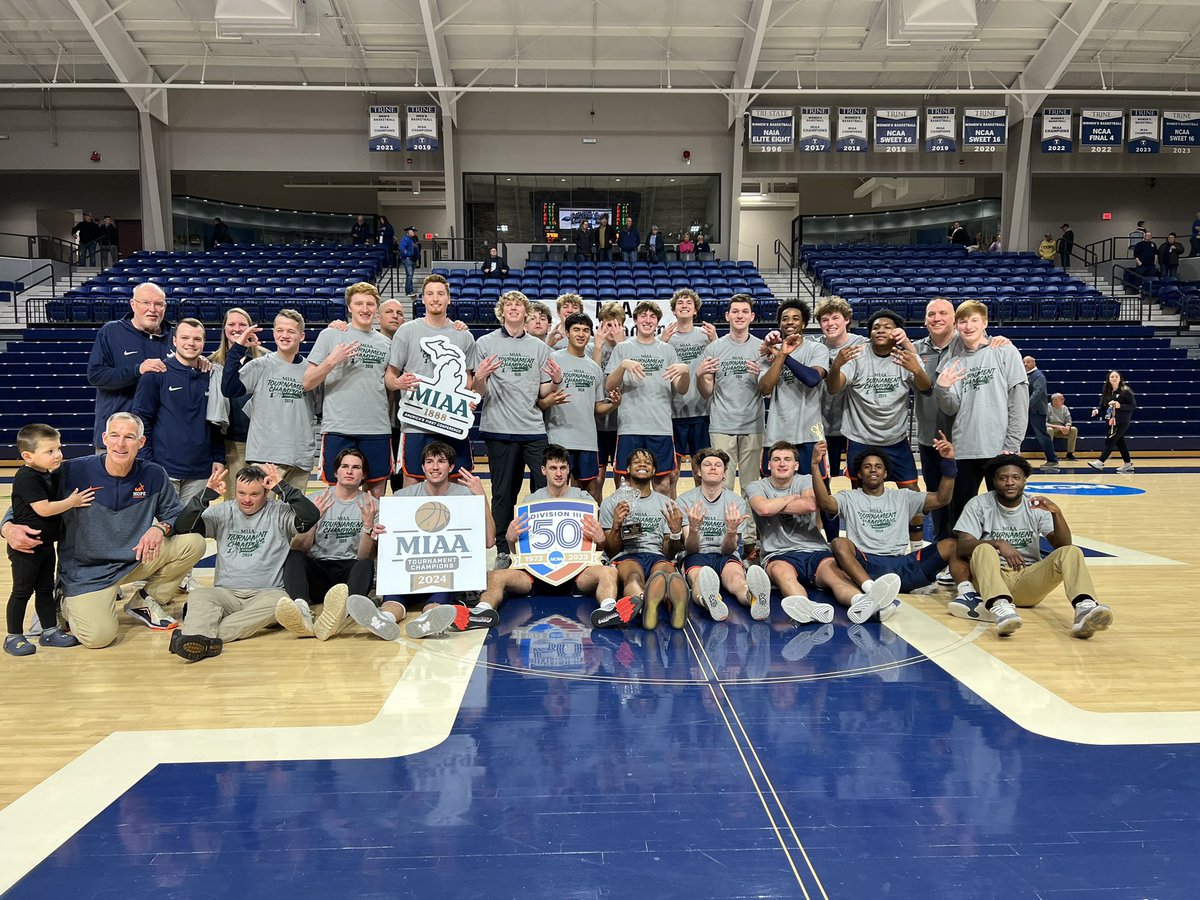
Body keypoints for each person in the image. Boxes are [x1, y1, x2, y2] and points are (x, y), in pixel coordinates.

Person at [1, 412, 207, 648]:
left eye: (129, 437)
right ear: (105, 438)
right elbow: (27, 501)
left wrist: (160, 528)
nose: (121, 444)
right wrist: (7, 527)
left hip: (134, 559)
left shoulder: (153, 474)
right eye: (115, 436)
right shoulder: (71, 471)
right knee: (98, 638)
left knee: (194, 543)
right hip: (87, 572)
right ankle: (64, 602)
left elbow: (174, 514)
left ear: (141, 443)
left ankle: (146, 601)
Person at [169, 463, 320, 661]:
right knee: (200, 596)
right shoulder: (223, 511)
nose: (246, 500)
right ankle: (202, 638)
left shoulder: (280, 512)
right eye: (241, 493)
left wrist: (284, 488)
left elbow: (311, 516)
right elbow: (183, 527)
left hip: (268, 593)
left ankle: (198, 637)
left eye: (254, 494)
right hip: (227, 593)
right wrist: (204, 497)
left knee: (281, 604)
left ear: (266, 492)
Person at [951, 454, 1114, 639]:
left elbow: (1062, 546)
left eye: (1016, 477)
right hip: (991, 578)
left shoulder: (1035, 506)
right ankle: (1000, 608)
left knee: (1072, 551)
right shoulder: (979, 504)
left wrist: (1056, 513)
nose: (1010, 482)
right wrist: (998, 543)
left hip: (1027, 580)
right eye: (1003, 478)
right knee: (983, 548)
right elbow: (963, 547)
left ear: (1024, 480)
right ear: (994, 481)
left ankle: (1084, 608)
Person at [348, 441, 495, 641]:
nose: (435, 467)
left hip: (445, 573)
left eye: (441, 461)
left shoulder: (464, 496)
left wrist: (481, 497)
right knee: (393, 599)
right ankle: (384, 618)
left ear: (451, 467)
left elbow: (489, 541)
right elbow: (377, 550)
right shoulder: (401, 497)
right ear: (423, 467)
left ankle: (427, 621)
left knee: (439, 599)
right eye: (429, 462)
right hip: (407, 573)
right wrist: (377, 533)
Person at [746, 441, 900, 626]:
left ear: (796, 465)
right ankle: (808, 608)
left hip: (815, 549)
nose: (782, 464)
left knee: (836, 577)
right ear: (768, 465)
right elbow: (762, 509)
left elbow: (810, 505)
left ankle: (861, 602)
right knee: (782, 574)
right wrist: (792, 498)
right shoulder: (756, 486)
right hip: (778, 553)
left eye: (787, 459)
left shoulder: (805, 480)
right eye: (776, 460)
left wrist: (775, 505)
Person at [480, 445, 627, 629]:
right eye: (553, 468)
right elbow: (520, 553)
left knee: (609, 572)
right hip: (535, 575)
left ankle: (608, 610)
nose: (558, 473)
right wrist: (510, 539)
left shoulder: (584, 500)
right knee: (495, 576)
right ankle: (482, 611)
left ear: (568, 469)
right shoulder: (531, 502)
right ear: (543, 470)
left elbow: (595, 551)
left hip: (578, 574)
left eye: (563, 468)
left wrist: (600, 540)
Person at [811, 436, 965, 596]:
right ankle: (871, 589)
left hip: (903, 565)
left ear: (885, 473)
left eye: (878, 466)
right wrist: (815, 465)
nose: (873, 470)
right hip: (866, 565)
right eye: (867, 466)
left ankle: (966, 594)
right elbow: (825, 503)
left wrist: (949, 463)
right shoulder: (848, 497)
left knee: (951, 545)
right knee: (839, 543)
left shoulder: (904, 496)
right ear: (859, 473)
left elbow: (942, 498)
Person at [470, 290, 556, 568]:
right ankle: (503, 550)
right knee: (503, 492)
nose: (514, 308)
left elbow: (543, 391)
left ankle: (545, 543)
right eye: (509, 305)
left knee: (547, 485)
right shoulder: (484, 342)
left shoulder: (539, 347)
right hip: (498, 428)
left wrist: (555, 381)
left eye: (519, 304)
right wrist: (480, 378)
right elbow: (479, 391)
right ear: (502, 311)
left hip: (532, 428)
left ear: (526, 312)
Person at [934, 300, 1028, 550]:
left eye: (974, 320)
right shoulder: (954, 360)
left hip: (999, 448)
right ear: (957, 326)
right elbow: (950, 407)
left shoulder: (1005, 351)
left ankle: (1006, 560)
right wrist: (942, 388)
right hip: (965, 447)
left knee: (1004, 511)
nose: (968, 326)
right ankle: (959, 565)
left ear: (985, 323)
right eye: (963, 321)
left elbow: (1018, 402)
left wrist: (1012, 444)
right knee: (962, 512)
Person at [825, 308, 931, 508]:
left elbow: (927, 388)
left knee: (912, 494)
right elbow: (833, 388)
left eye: (887, 327)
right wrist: (837, 365)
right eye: (876, 327)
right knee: (859, 494)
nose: (880, 330)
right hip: (860, 439)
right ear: (870, 333)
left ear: (897, 333)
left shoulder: (907, 357)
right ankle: (860, 537)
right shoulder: (858, 355)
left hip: (895, 439)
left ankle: (915, 541)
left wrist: (916, 369)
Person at [275, 448, 378, 641]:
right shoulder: (315, 500)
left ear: (363, 475)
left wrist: (367, 526)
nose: (349, 471)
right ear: (335, 472)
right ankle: (301, 610)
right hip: (319, 569)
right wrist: (313, 520)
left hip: (349, 572)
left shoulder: (372, 505)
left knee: (365, 565)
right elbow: (300, 548)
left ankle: (340, 615)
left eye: (356, 468)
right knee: (294, 556)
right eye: (344, 466)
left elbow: (365, 556)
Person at [4, 424, 89, 656]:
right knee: (21, 591)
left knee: (45, 589)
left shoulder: (46, 474)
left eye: (58, 448)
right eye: (49, 451)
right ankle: (13, 636)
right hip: (26, 548)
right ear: (28, 456)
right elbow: (43, 509)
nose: (58, 455)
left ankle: (49, 630)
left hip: (44, 545)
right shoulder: (26, 476)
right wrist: (72, 502)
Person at [387, 273, 477, 486]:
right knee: (412, 482)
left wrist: (466, 397)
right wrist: (398, 383)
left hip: (451, 421)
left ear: (448, 299)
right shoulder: (407, 331)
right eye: (430, 294)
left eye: (440, 294)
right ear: (423, 299)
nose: (435, 298)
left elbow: (468, 378)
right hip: (416, 423)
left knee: (458, 482)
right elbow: (390, 376)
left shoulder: (463, 335)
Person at [305, 282, 393, 498]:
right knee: (336, 492)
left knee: (376, 493)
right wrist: (332, 361)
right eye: (359, 303)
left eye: (370, 304)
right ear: (349, 307)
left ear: (376, 308)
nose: (365, 309)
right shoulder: (331, 335)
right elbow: (307, 382)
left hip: (377, 427)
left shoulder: (386, 343)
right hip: (339, 426)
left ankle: (370, 532)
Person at [221, 308, 318, 493]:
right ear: (273, 333)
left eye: (291, 331)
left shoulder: (312, 371)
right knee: (260, 516)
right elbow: (229, 388)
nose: (284, 335)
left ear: (302, 336)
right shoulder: (260, 365)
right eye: (280, 330)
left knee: (294, 518)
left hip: (299, 457)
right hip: (264, 457)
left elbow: (321, 409)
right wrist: (239, 346)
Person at [696, 295, 765, 550]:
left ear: (751, 317)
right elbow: (706, 392)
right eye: (734, 311)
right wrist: (700, 376)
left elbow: (767, 389)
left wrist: (761, 377)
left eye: (744, 311)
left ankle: (749, 542)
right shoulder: (715, 348)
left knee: (750, 486)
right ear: (727, 316)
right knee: (720, 484)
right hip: (722, 424)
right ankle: (721, 540)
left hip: (753, 425)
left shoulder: (761, 348)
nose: (739, 315)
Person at [131, 318, 224, 504]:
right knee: (161, 528)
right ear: (174, 341)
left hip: (201, 472)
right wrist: (148, 463)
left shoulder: (211, 376)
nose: (191, 343)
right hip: (164, 469)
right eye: (185, 337)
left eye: (197, 339)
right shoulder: (157, 374)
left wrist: (219, 457)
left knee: (190, 530)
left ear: (204, 342)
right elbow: (141, 421)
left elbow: (216, 422)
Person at [605, 300, 690, 495]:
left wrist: (685, 372)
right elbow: (609, 386)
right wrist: (623, 365)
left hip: (659, 427)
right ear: (635, 320)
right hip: (630, 427)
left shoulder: (667, 350)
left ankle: (663, 526)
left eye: (652, 316)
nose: (647, 320)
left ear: (657, 322)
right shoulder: (623, 349)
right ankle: (627, 525)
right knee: (626, 485)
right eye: (643, 315)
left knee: (662, 485)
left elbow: (682, 389)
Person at [677, 447, 771, 621]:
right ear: (698, 471)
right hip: (698, 554)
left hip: (725, 555)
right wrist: (695, 528)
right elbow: (690, 549)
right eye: (707, 464)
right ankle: (710, 600)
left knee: (736, 577)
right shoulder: (684, 501)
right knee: (698, 578)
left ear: (724, 474)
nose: (713, 468)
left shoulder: (736, 502)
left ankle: (754, 598)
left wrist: (731, 531)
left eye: (718, 465)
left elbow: (729, 551)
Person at [599, 447, 689, 629]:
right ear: (628, 469)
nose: (642, 464)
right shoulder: (611, 502)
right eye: (636, 462)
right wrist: (616, 525)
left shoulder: (666, 503)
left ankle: (671, 604)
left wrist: (675, 533)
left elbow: (669, 552)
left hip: (656, 554)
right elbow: (611, 550)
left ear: (654, 471)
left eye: (647, 462)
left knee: (668, 574)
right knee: (633, 576)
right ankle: (648, 604)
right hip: (627, 555)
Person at [540, 312, 621, 504]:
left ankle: (589, 532)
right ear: (567, 332)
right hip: (559, 438)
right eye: (576, 329)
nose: (581, 334)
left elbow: (597, 408)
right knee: (558, 490)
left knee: (590, 491)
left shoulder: (594, 367)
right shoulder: (553, 358)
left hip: (587, 440)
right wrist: (548, 401)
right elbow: (541, 398)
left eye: (586, 330)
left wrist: (613, 405)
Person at [86, 281, 172, 449]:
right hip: (119, 438)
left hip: (160, 440)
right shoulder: (111, 332)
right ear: (133, 304)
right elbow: (96, 375)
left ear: (165, 307)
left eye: (158, 304)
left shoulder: (175, 337)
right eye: (146, 303)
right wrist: (137, 370)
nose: (152, 309)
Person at [664, 288, 716, 497]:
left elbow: (719, 359)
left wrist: (715, 340)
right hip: (673, 413)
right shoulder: (666, 338)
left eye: (689, 303)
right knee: (672, 474)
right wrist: (663, 342)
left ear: (695, 311)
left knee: (700, 472)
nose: (684, 306)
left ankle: (701, 516)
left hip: (702, 412)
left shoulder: (706, 335)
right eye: (680, 303)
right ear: (674, 310)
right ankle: (675, 521)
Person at [208, 308, 265, 499]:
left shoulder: (265, 359)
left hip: (264, 443)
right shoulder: (211, 362)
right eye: (231, 324)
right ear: (224, 328)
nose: (237, 328)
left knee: (264, 500)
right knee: (235, 500)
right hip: (230, 444)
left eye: (242, 324)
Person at [592, 301, 626, 489]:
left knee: (622, 479)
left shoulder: (631, 346)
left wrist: (622, 346)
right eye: (607, 324)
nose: (612, 328)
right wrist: (597, 348)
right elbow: (594, 380)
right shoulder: (591, 346)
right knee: (596, 479)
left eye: (616, 323)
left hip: (622, 422)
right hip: (597, 422)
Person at [1088, 370, 1137, 473]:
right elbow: (1103, 405)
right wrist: (1097, 410)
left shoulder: (1126, 391)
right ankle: (1128, 464)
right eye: (1112, 377)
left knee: (1110, 440)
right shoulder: (1107, 391)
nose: (1114, 378)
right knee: (1120, 442)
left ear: (1120, 379)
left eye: (1116, 376)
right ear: (1109, 379)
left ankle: (1100, 462)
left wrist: (1120, 406)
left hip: (1122, 421)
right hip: (1111, 420)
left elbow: (1132, 406)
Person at [1022, 356, 1060, 473]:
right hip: (1028, 411)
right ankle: (1013, 458)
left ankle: (1052, 459)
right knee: (1019, 434)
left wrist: (1025, 405)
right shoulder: (1026, 375)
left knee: (1042, 435)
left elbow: (1037, 393)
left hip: (1036, 411)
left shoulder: (1038, 375)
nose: (1025, 364)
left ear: (1034, 362)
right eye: (1023, 362)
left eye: (1028, 362)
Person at [1047, 393, 1078, 460]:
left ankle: (1069, 454)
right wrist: (1057, 427)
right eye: (1061, 399)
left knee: (1073, 429)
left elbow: (1068, 420)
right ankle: (1050, 454)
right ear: (1054, 400)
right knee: (1049, 430)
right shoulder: (1046, 407)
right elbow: (1043, 423)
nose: (1063, 400)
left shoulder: (1064, 408)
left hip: (1061, 428)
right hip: (1050, 428)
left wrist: (1067, 427)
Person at [398, 225, 420, 295]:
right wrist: (408, 254)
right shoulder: (405, 239)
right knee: (409, 275)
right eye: (413, 231)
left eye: (414, 231)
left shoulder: (412, 239)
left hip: (413, 259)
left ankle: (410, 290)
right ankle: (409, 291)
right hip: (408, 259)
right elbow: (402, 248)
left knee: (410, 275)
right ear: (409, 231)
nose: (414, 233)